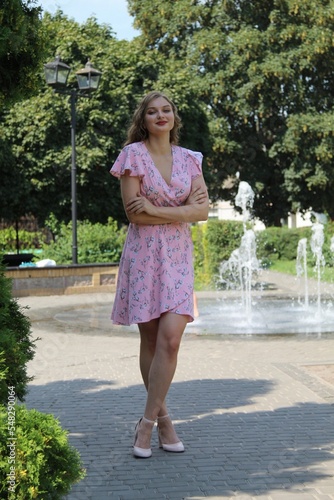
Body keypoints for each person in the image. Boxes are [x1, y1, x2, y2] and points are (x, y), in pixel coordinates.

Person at [110, 90, 209, 458]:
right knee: (151, 342)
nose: (160, 115)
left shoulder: (190, 159)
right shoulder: (132, 156)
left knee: (170, 340)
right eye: (152, 112)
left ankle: (146, 426)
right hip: (144, 257)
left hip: (178, 258)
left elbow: (203, 212)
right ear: (144, 119)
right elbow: (134, 215)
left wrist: (156, 207)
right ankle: (165, 419)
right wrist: (180, 210)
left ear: (174, 117)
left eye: (166, 110)